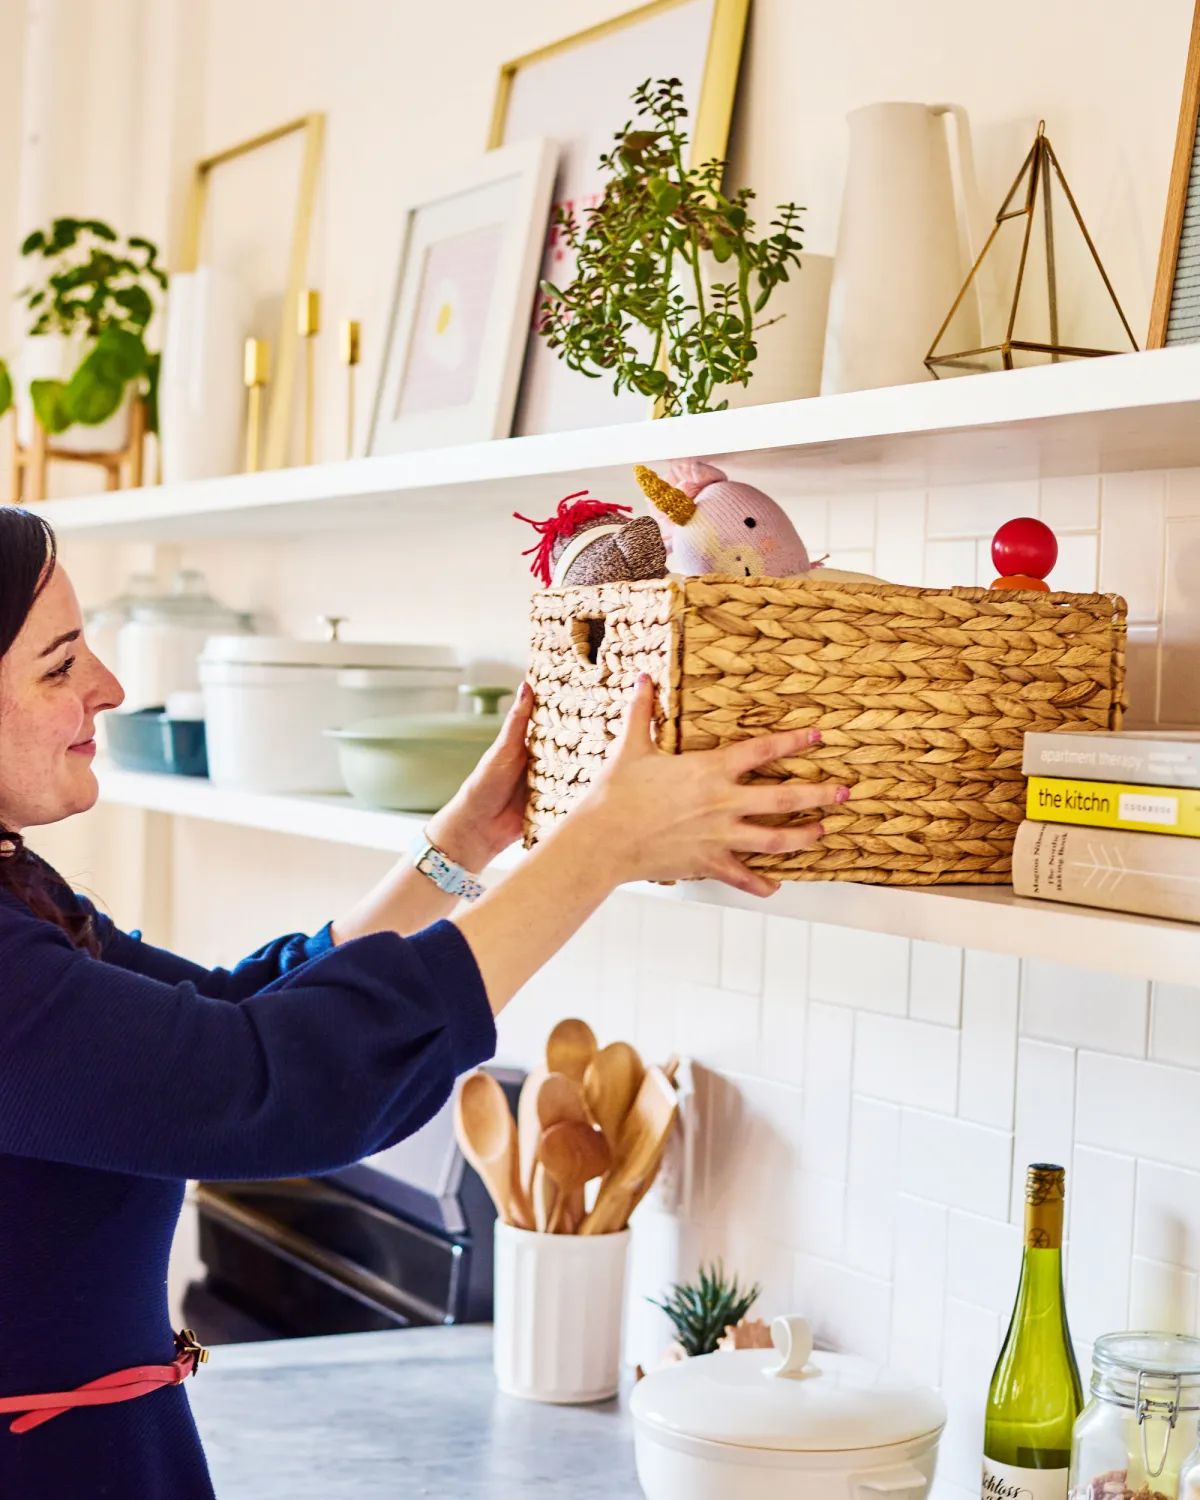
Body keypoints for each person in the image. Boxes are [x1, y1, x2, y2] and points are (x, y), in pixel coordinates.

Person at [0, 505, 838, 1498]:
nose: (109, 686)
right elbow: (261, 1086)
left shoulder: (21, 888)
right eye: (59, 667)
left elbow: (232, 1015)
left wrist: (462, 844)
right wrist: (599, 851)